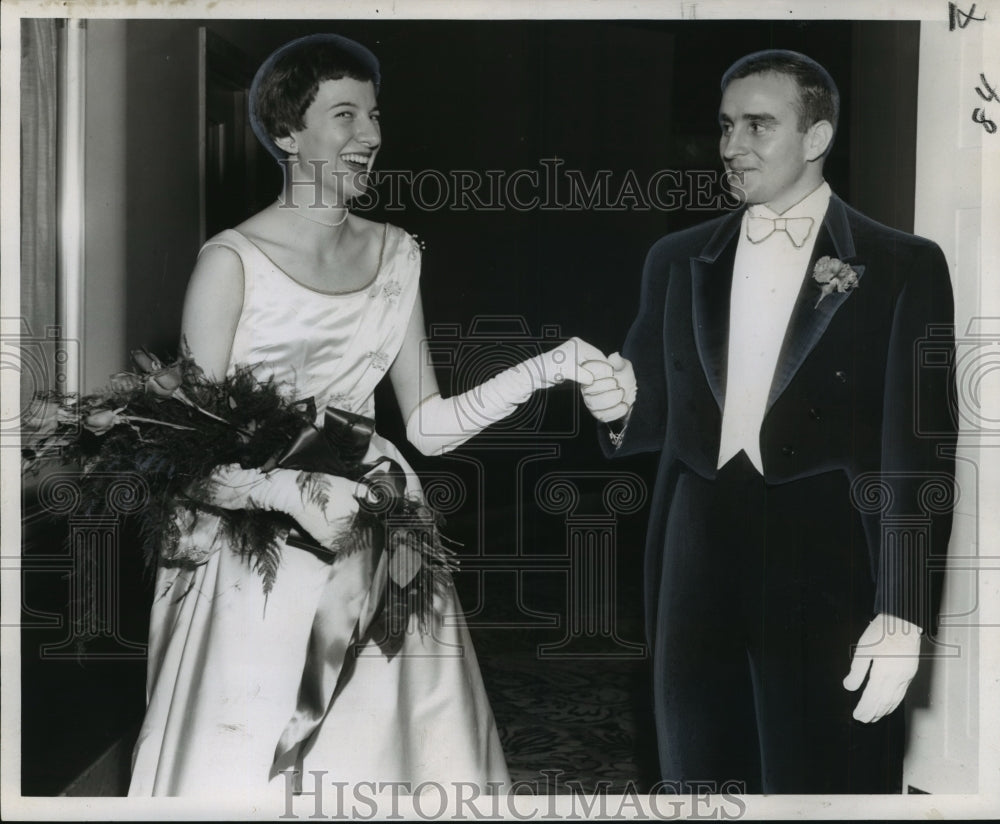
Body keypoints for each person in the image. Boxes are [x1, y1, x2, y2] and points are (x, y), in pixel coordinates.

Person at [128, 33, 603, 798]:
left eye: (375, 116)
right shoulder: (230, 261)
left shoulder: (397, 254)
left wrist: (549, 370)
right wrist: (286, 494)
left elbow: (428, 423)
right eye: (345, 115)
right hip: (259, 548)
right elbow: (185, 451)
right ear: (287, 133)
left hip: (383, 523)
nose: (372, 137)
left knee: (395, 750)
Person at [581, 50, 957, 793]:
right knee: (698, 775)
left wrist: (904, 611)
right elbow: (653, 414)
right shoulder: (678, 257)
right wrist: (620, 405)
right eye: (725, 126)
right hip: (695, 543)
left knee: (825, 780)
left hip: (829, 550)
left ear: (816, 137)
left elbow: (920, 453)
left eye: (758, 125)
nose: (730, 147)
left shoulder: (901, 265)